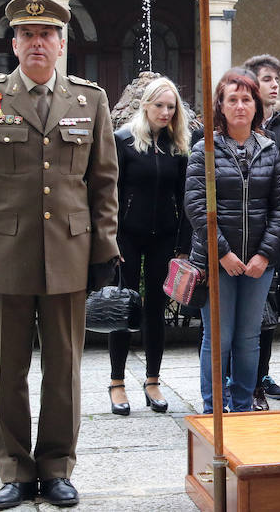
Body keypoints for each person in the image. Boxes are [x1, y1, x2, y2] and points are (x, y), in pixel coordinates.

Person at [0, 0, 119, 509]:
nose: (36, 43)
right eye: (27, 35)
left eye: (46, 35)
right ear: (15, 44)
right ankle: (16, 470)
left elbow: (103, 182)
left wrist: (105, 249)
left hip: (70, 252)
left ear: (62, 44)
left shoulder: (90, 100)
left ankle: (57, 467)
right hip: (6, 257)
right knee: (6, 371)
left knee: (64, 368)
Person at [185, 68, 280, 413]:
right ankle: (213, 407)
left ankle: (243, 406)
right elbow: (197, 207)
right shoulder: (205, 150)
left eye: (247, 99)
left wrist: (264, 254)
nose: (240, 106)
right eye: (233, 99)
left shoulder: (270, 150)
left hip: (260, 262)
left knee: (248, 338)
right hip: (218, 261)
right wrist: (223, 253)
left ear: (256, 106)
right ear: (221, 106)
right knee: (219, 337)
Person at [108, 76, 191, 416]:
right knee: (123, 306)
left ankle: (153, 380)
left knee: (156, 308)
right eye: (159, 105)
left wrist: (184, 245)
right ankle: (116, 383)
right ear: (145, 105)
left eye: (171, 107)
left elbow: (187, 198)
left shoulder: (179, 146)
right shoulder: (124, 140)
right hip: (126, 235)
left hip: (164, 238)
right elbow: (109, 193)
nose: (165, 112)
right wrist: (109, 239)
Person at [243, 54, 280, 409]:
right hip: (239, 233)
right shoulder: (236, 125)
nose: (274, 84)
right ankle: (238, 379)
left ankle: (262, 376)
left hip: (273, 235)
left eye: (277, 78)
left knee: (269, 312)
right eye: (267, 78)